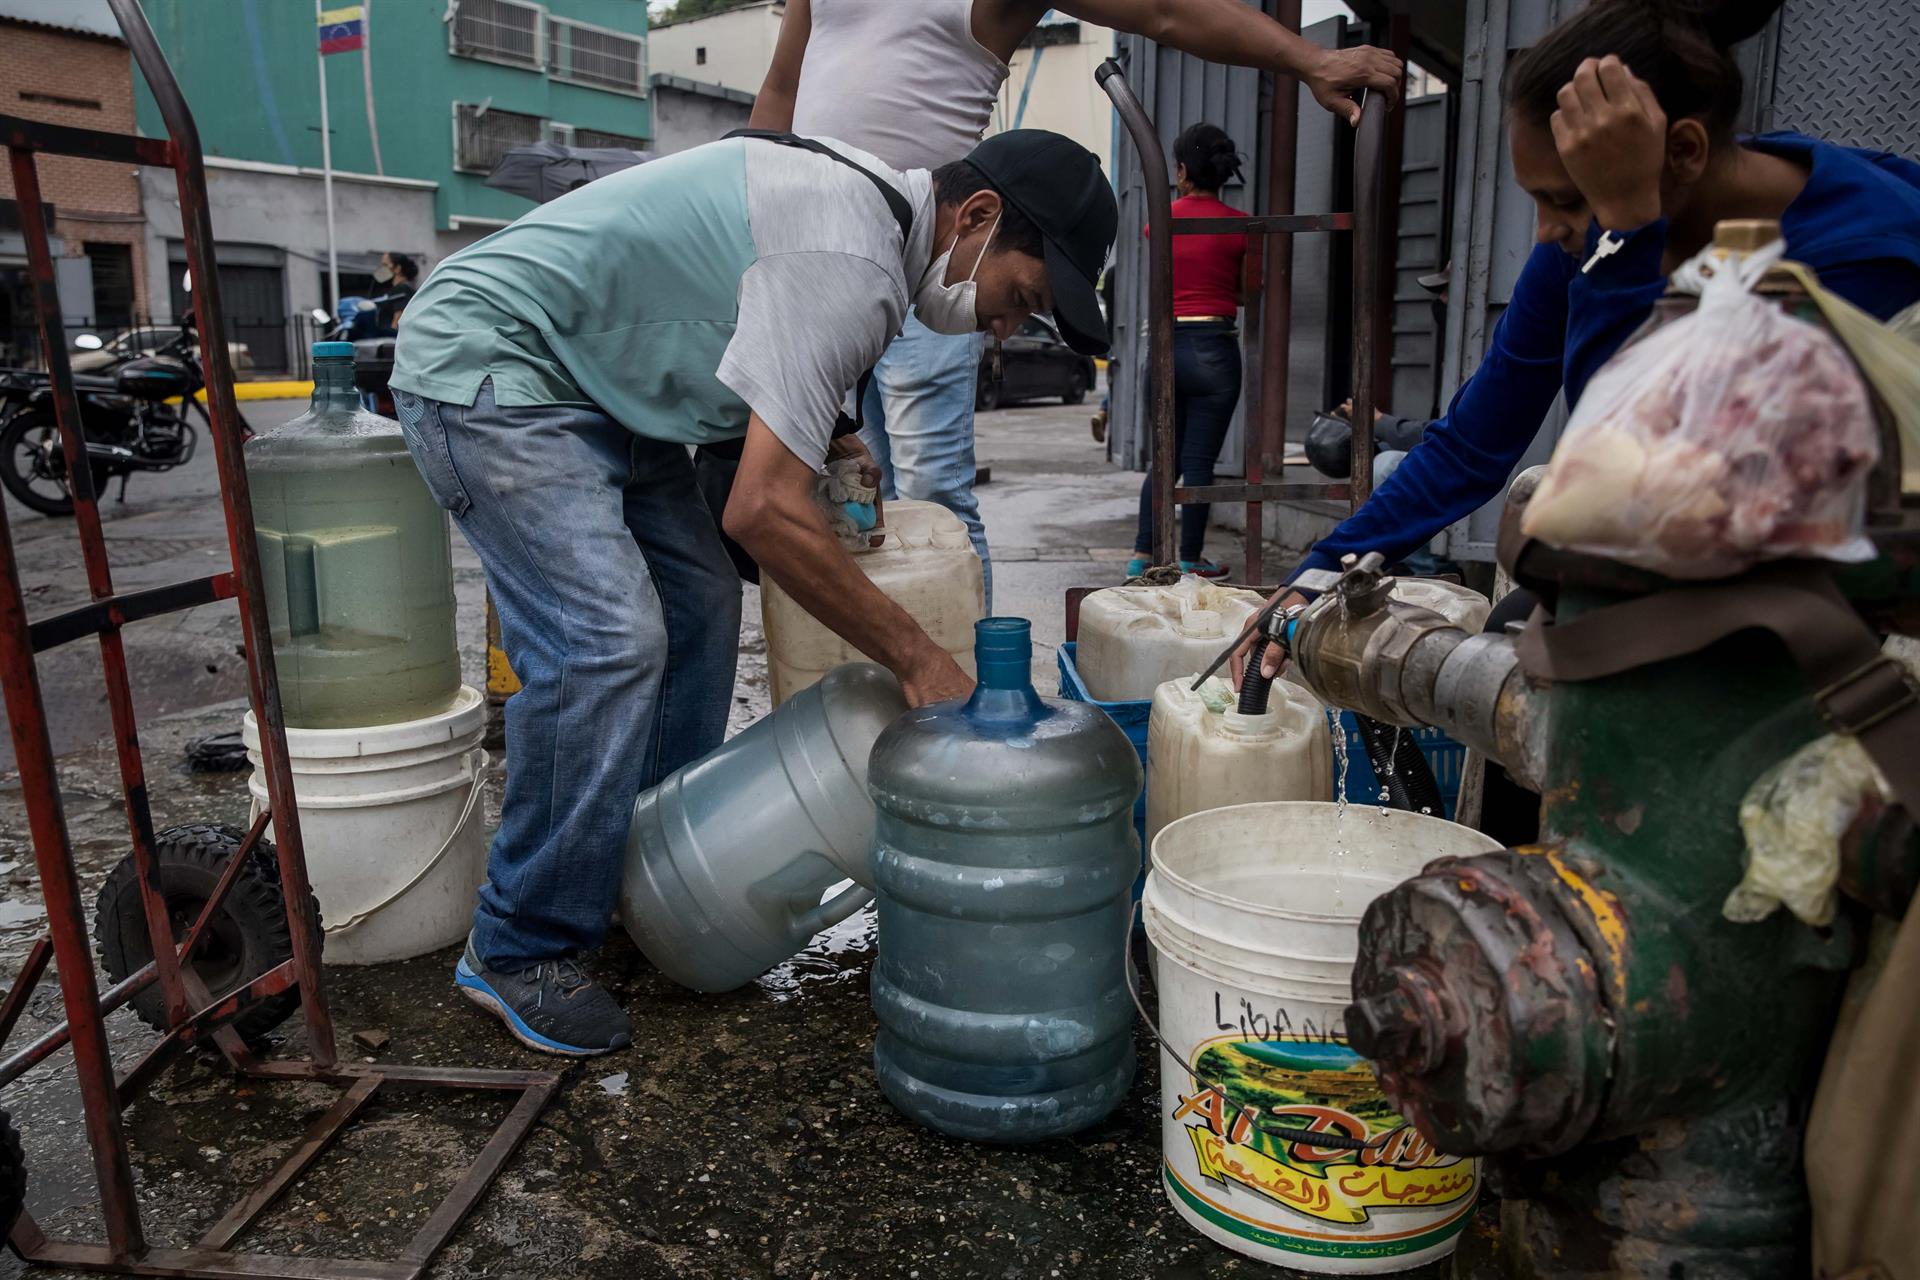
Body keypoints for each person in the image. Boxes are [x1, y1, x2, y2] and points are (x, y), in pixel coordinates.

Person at [389, 128, 1117, 1057]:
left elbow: (744, 341)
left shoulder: (871, 233)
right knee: (606, 642)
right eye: (1022, 296)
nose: (1006, 327)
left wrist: (833, 430)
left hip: (604, 389)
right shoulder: (850, 261)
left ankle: (641, 866)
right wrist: (922, 660)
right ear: (976, 217)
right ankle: (520, 942)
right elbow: (761, 512)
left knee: (697, 604)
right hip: (495, 366)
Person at [1248, 0, 1920, 666]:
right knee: (1525, 630)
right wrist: (1315, 575)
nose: (1545, 231)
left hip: (1828, 582)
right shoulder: (1586, 245)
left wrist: (1628, 233)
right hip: (1714, 570)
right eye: (1537, 200)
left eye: (1566, 201)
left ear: (1681, 152)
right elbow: (1472, 445)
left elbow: (1643, 492)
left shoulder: (1865, 258)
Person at [751, 0, 1403, 606]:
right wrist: (753, 233)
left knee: (932, 500)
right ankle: (878, 686)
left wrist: (1310, 59)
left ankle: (964, 695)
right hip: (811, 265)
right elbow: (781, 89)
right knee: (854, 500)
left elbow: (1164, 11)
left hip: (949, 261)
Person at [1127, 122, 1248, 579]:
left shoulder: (1159, 222)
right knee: (1199, 466)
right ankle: (1190, 559)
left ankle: (1143, 555)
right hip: (1216, 350)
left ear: (1180, 170)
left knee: (1164, 461)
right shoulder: (1243, 228)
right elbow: (1243, 293)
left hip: (1165, 346)